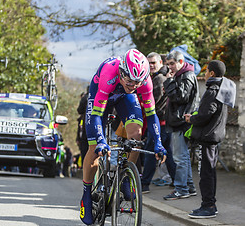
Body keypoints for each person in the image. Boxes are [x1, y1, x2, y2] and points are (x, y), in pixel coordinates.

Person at [80, 49, 167, 225]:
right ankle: (86, 194)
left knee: (136, 135)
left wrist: (158, 143)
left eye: (138, 82)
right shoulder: (109, 73)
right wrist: (101, 140)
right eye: (130, 81)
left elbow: (151, 116)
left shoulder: (144, 82)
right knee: (94, 147)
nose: (134, 85)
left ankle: (126, 177)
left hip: (124, 98)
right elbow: (96, 114)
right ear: (122, 72)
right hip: (101, 95)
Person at [184, 60, 236, 218]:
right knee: (209, 172)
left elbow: (205, 114)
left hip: (207, 137)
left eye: (206, 71)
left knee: (205, 174)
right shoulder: (222, 88)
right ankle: (209, 204)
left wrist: (191, 119)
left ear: (212, 73)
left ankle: (208, 206)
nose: (204, 74)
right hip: (214, 136)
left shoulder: (213, 90)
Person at [163, 50, 199, 200]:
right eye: (168, 64)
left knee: (180, 158)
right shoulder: (181, 75)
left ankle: (181, 189)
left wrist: (169, 83)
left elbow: (181, 96)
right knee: (182, 156)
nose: (170, 67)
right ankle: (188, 187)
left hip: (181, 122)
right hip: (180, 121)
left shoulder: (187, 75)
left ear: (181, 62)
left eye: (172, 63)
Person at [141, 52, 177, 193]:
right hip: (164, 122)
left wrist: (143, 105)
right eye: (148, 63)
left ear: (160, 63)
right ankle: (176, 180)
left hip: (159, 122)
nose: (151, 65)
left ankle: (144, 184)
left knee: (151, 152)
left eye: (153, 63)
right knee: (166, 153)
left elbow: (153, 104)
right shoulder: (161, 77)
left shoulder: (158, 79)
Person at [76, 86, 89, 165]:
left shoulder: (85, 98)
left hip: (86, 126)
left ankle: (86, 170)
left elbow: (79, 110)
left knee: (85, 149)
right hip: (101, 126)